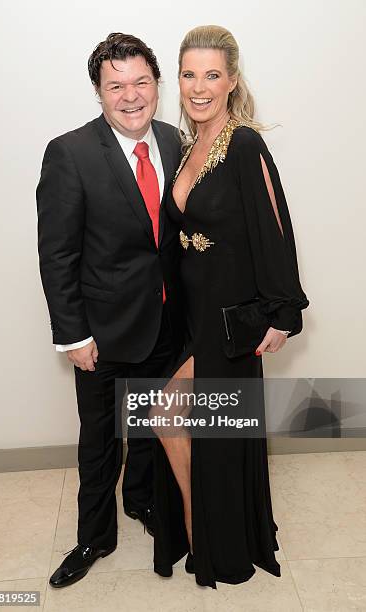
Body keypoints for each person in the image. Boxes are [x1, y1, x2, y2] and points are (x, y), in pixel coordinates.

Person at [150, 25, 309, 589]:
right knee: (193, 427)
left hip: (229, 319)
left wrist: (282, 314)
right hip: (192, 316)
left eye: (211, 75)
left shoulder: (245, 145)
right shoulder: (185, 144)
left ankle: (208, 535)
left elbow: (275, 231)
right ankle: (210, 532)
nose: (199, 87)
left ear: (232, 81)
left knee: (177, 418)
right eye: (189, 74)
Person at [36, 32, 184, 588]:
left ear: (157, 86)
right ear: (98, 91)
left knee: (149, 427)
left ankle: (142, 502)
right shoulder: (69, 153)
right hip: (101, 331)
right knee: (101, 442)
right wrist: (72, 335)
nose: (130, 95)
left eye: (141, 82)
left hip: (166, 325)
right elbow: (57, 254)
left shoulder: (174, 142)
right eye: (115, 85)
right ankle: (94, 536)